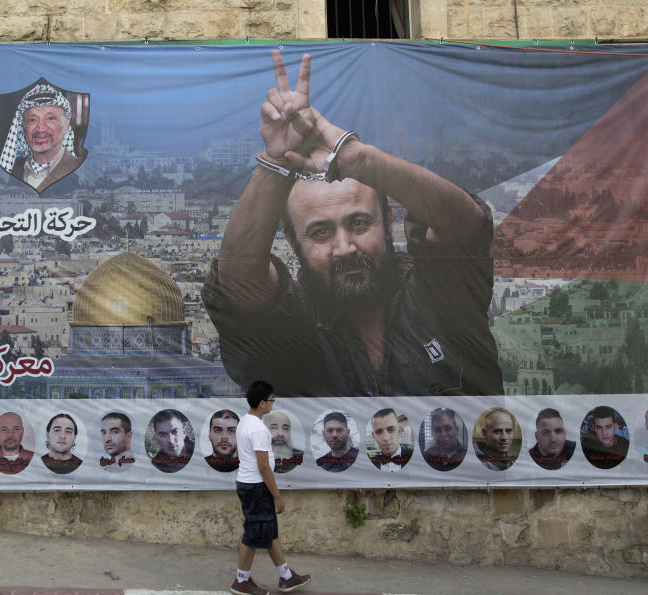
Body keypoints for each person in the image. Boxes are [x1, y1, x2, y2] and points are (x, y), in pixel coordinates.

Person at [202, 51, 502, 398]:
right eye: (321, 232)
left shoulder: (441, 293)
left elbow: (465, 224)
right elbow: (239, 282)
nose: (345, 247)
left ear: (387, 220)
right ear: (293, 240)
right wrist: (274, 161)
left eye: (359, 223)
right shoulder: (291, 325)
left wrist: (361, 160)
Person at [230, 380, 310, 595]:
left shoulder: (246, 421)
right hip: (256, 487)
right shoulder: (258, 430)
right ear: (263, 403)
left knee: (269, 531)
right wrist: (277, 496)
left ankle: (286, 576)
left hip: (250, 485)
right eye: (272, 399)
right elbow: (263, 466)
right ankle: (241, 581)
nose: (273, 403)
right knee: (253, 533)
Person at [0, 83, 84, 193]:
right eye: (32, 120)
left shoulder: (77, 170)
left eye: (50, 118)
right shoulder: (12, 172)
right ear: (24, 126)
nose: (40, 128)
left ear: (65, 124)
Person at [581, 406, 629, 470]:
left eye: (608, 427)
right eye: (599, 427)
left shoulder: (625, 445)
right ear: (594, 428)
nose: (604, 433)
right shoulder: (586, 446)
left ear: (616, 427)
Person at [148, 409, 194, 473]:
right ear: (157, 438)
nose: (171, 440)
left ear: (184, 432)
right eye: (163, 434)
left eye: (175, 432)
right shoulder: (156, 464)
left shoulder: (201, 452)